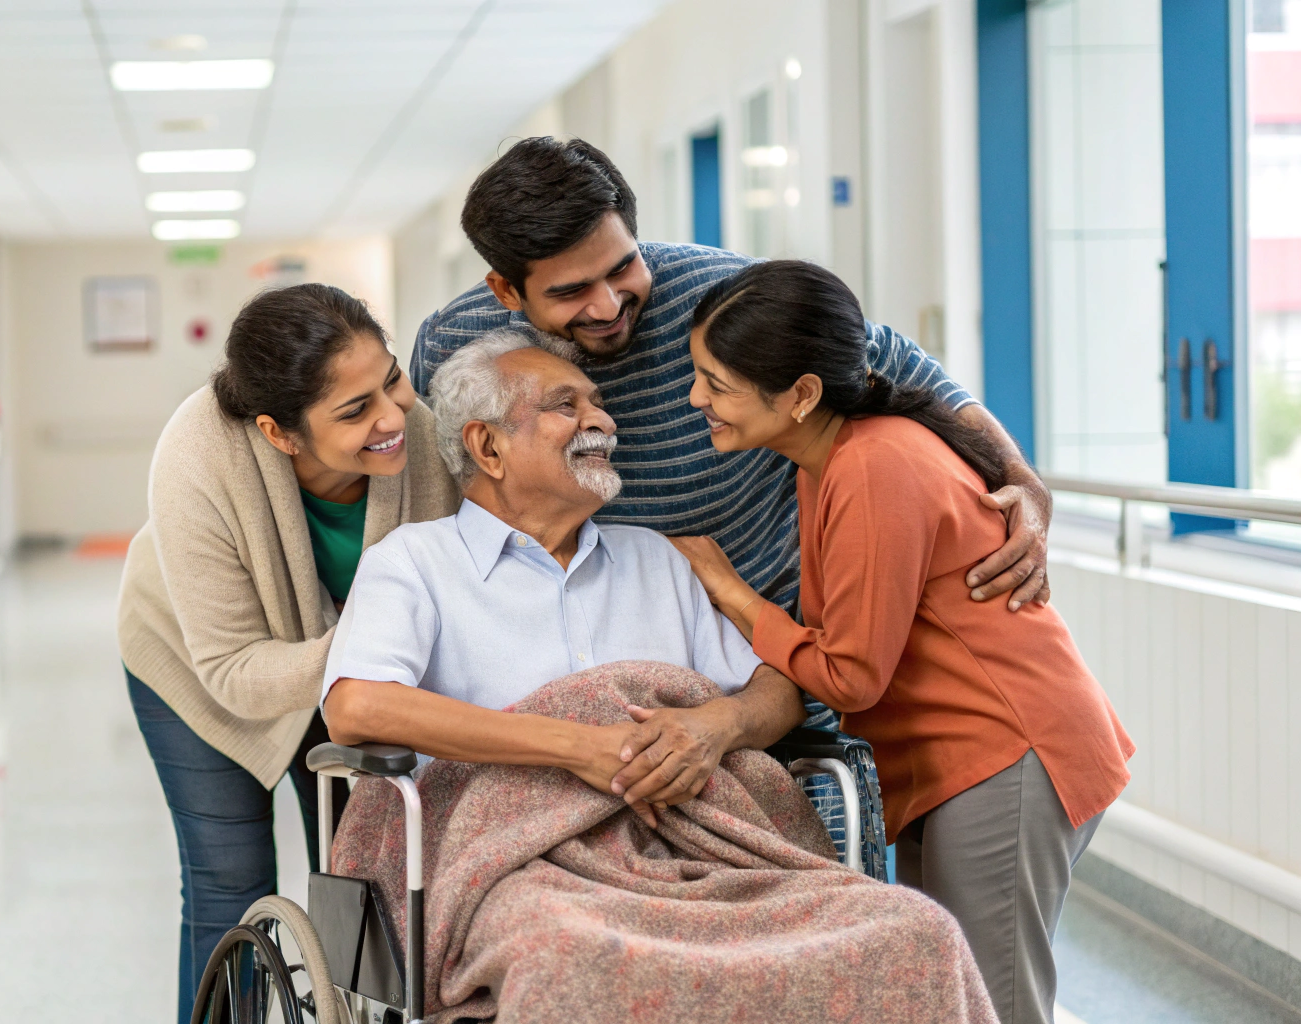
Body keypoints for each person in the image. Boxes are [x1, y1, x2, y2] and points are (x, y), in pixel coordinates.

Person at [411, 139, 1057, 856]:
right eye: (570, 292)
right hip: (619, 678)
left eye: (622, 266)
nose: (608, 302)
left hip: (793, 664)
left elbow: (908, 371)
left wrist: (1021, 480)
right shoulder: (457, 346)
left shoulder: (720, 294)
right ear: (508, 292)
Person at [669, 260, 1134, 1024]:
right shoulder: (830, 459)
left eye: (716, 383)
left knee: (991, 1006)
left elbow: (851, 676)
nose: (696, 400)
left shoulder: (874, 465)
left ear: (801, 395)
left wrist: (733, 596)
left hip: (1008, 753)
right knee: (942, 996)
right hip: (969, 762)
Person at [115, 284, 458, 1021]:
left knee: (359, 874)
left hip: (348, 669)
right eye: (355, 410)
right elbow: (234, 670)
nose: (394, 417)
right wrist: (372, 653)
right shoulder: (196, 457)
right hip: (200, 666)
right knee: (229, 879)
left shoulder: (420, 438)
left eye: (390, 380)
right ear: (280, 432)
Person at [322, 329, 808, 820]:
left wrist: (718, 725)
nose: (603, 421)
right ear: (487, 447)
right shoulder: (412, 561)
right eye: (564, 406)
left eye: (597, 404)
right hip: (506, 847)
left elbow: (778, 693)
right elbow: (356, 706)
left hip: (683, 841)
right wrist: (579, 747)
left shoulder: (656, 558)